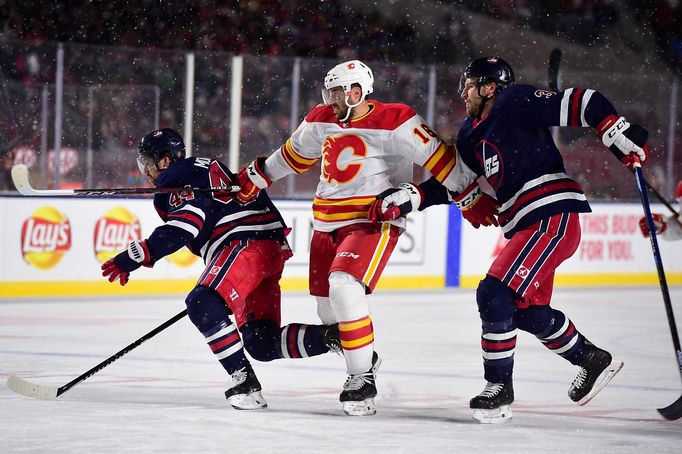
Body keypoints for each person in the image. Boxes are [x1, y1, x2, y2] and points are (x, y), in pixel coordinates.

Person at [368, 56, 649, 423]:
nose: (463, 93)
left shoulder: (513, 100)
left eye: (469, 85)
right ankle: (591, 359)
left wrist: (613, 129)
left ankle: (498, 388)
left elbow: (585, 102)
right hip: (528, 221)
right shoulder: (471, 132)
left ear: (489, 87)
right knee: (525, 312)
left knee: (494, 293)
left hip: (550, 214)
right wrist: (413, 196)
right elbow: (456, 182)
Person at [234, 60, 471, 416]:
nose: (331, 99)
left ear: (356, 91)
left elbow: (440, 159)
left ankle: (361, 379)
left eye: (337, 92)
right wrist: (258, 176)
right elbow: (292, 156)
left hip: (370, 220)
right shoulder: (320, 119)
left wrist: (469, 193)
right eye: (328, 93)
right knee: (329, 311)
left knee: (345, 288)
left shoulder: (396, 119)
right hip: (325, 224)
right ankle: (366, 358)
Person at [101, 128, 340, 410]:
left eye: (148, 164)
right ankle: (341, 338)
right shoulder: (202, 167)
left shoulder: (172, 178)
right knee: (261, 343)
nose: (147, 172)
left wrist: (133, 256)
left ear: (165, 161)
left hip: (243, 245)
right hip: (268, 248)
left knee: (202, 302)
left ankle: (245, 384)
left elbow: (185, 226)